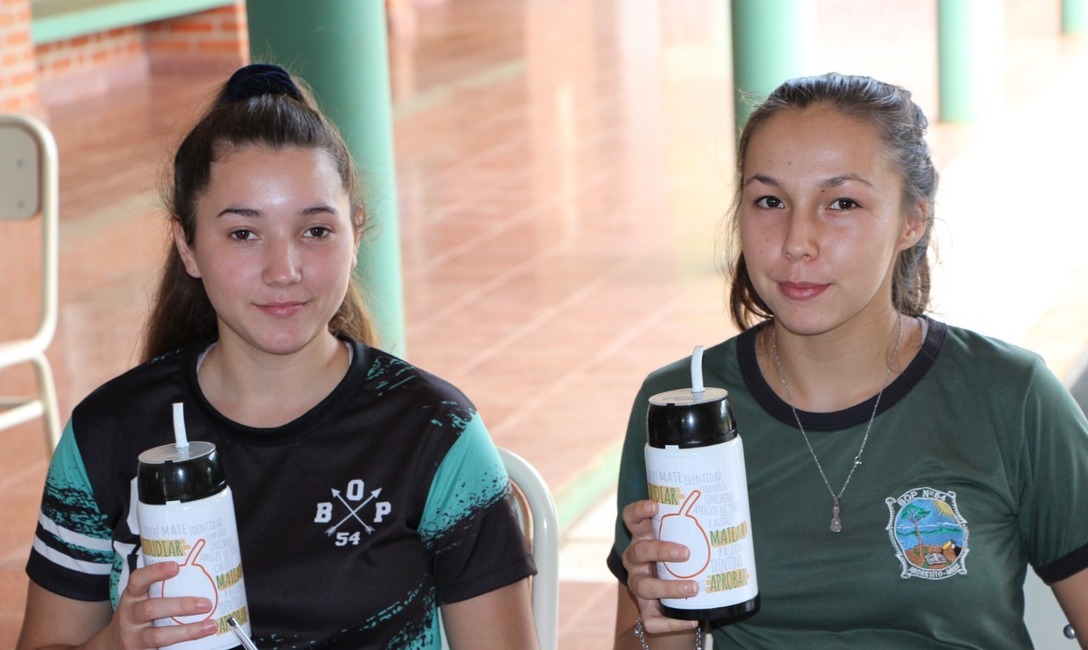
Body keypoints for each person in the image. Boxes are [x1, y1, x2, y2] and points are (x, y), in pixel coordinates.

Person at [17, 63, 538, 650]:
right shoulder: (108, 434)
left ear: (355, 234)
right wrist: (117, 643)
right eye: (244, 234)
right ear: (187, 246)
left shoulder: (433, 433)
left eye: (315, 231)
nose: (283, 270)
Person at [609, 72, 1088, 649]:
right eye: (769, 201)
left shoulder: (1010, 396)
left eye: (842, 203)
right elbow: (641, 639)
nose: (797, 241)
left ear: (912, 220)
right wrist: (658, 619)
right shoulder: (683, 406)